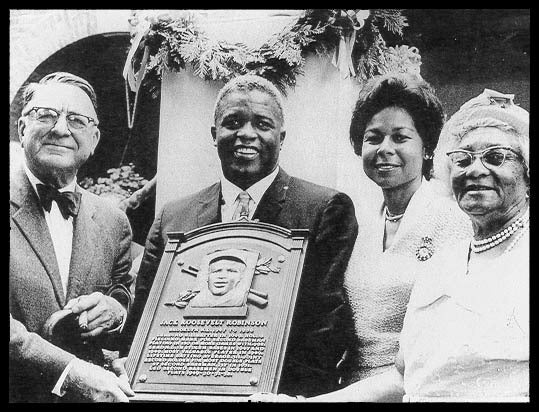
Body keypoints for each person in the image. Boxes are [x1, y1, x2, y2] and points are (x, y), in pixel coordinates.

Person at [262, 88, 529, 402]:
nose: (475, 170)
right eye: (463, 159)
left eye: (495, 157)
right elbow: (403, 375)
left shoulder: (465, 226)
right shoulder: (438, 261)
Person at [122, 74, 359, 397]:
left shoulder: (324, 209)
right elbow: (143, 326)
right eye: (233, 122)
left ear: (281, 136)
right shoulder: (173, 218)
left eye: (263, 124)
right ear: (214, 134)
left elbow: (326, 326)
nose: (246, 134)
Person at [339, 73, 472, 383]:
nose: (385, 148)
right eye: (374, 137)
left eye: (400, 137)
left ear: (427, 148)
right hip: (350, 385)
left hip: (415, 385)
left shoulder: (453, 220)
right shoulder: (361, 225)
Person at [10, 72, 134, 402]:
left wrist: (115, 313)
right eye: (46, 114)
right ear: (22, 128)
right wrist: (69, 371)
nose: (61, 128)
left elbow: (124, 298)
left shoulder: (113, 222)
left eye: (76, 120)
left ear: (93, 140)